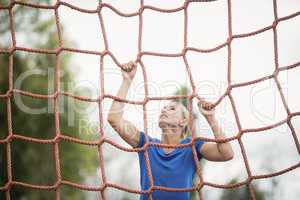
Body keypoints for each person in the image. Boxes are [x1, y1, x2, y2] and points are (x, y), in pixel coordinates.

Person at [107, 60, 234, 200]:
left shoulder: (192, 147)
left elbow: (226, 154)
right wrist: (127, 81)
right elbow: (114, 119)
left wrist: (211, 119)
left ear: (183, 121)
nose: (164, 110)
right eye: (164, 108)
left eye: (172, 108)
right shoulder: (146, 144)